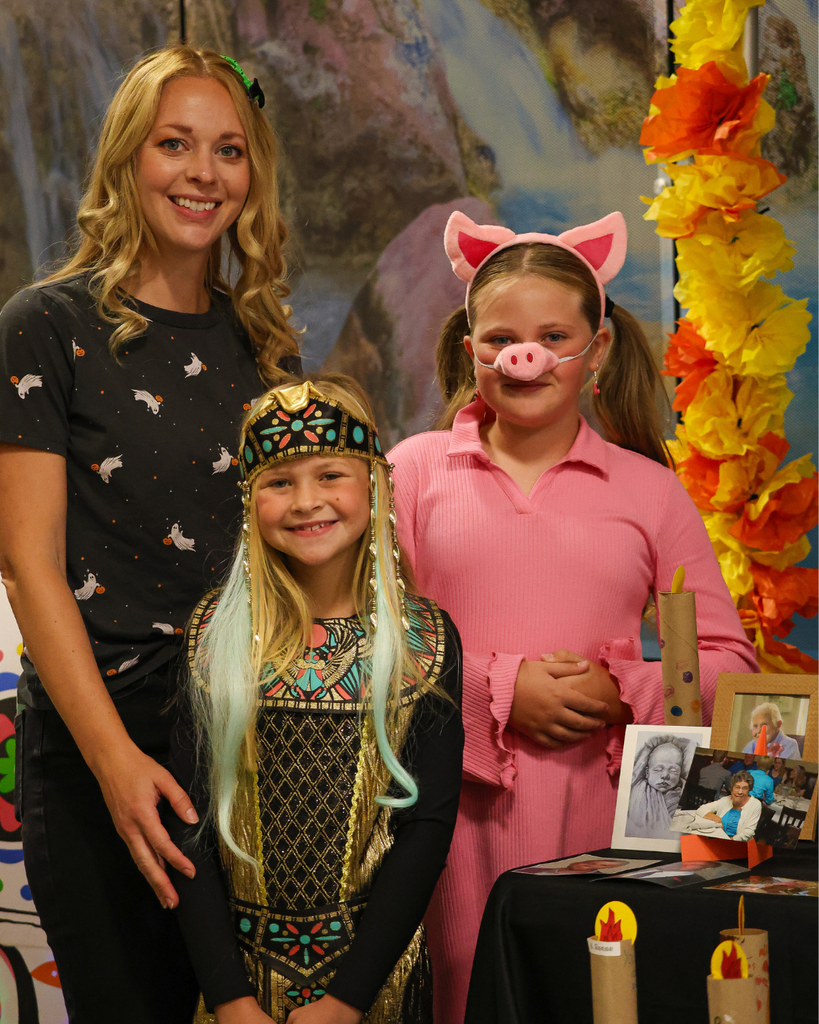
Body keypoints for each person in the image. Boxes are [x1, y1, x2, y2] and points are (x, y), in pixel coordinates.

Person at [388, 210, 759, 1022]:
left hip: (613, 829)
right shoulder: (410, 473)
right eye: (499, 339)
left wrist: (623, 687)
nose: (525, 357)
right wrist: (498, 688)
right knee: (464, 991)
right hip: (447, 825)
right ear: (468, 350)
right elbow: (366, 643)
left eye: (553, 335)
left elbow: (726, 655)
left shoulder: (648, 492)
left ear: (595, 349)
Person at [0, 46, 301, 1023]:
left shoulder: (264, 341)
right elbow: (27, 563)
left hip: (248, 749)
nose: (203, 173)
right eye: (175, 145)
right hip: (101, 750)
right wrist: (116, 763)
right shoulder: (46, 326)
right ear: (128, 157)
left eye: (228, 149)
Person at [164, 376, 464, 1023]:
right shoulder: (213, 640)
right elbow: (186, 826)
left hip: (375, 983)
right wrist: (229, 999)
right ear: (250, 501)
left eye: (329, 475)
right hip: (236, 987)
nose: (306, 502)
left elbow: (425, 833)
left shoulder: (425, 643)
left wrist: (344, 1001)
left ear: (373, 484)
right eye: (279, 482)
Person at [625, 735, 689, 839]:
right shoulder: (637, 792)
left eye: (673, 770)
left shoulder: (683, 795)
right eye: (658, 769)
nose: (665, 775)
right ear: (647, 772)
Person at [693, 772, 761, 840]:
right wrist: (717, 819)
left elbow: (748, 833)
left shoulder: (755, 804)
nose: (740, 792)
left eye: (745, 788)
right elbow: (701, 809)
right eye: (737, 787)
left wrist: (728, 841)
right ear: (731, 789)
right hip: (717, 838)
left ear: (749, 790)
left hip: (736, 844)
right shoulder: (726, 799)